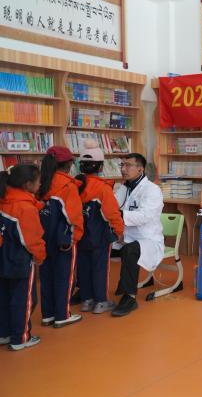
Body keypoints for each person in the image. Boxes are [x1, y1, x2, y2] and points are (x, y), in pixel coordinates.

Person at [75, 140, 125, 314]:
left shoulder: (76, 185)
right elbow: (112, 213)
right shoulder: (103, 188)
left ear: (81, 166)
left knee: (83, 267)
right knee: (100, 268)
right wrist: (119, 231)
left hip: (80, 235)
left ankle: (86, 300)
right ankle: (101, 301)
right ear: (101, 166)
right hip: (99, 236)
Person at [111, 153, 164, 317]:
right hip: (126, 236)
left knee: (129, 250)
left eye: (128, 165)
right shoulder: (124, 188)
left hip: (148, 240)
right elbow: (113, 206)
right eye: (122, 165)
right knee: (96, 245)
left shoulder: (152, 190)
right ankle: (87, 290)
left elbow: (144, 216)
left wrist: (118, 215)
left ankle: (130, 297)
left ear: (140, 169)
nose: (123, 169)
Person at [0, 164, 46, 350]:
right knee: (24, 299)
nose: (40, 184)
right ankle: (21, 338)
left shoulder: (4, 199)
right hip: (20, 261)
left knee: (4, 297)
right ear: (28, 184)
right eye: (38, 181)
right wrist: (40, 257)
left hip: (3, 258)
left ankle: (4, 334)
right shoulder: (25, 208)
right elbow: (32, 239)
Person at [38, 146, 84, 328]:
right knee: (64, 277)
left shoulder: (40, 183)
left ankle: (48, 315)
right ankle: (62, 315)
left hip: (43, 238)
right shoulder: (68, 186)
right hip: (63, 240)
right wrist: (75, 238)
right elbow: (74, 217)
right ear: (69, 164)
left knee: (46, 276)